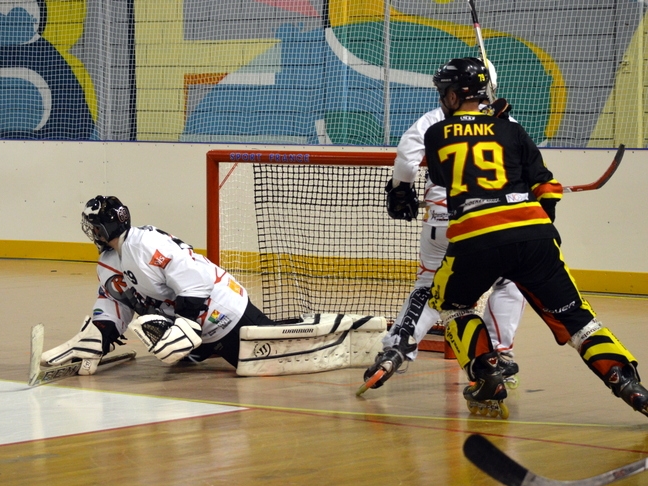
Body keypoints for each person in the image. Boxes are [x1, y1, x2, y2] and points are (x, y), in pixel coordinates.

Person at [412, 56, 647, 419]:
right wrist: (535, 226)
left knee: (453, 305)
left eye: (445, 93)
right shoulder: (513, 130)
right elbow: (548, 189)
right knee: (580, 322)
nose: (442, 100)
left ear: (456, 97)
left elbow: (445, 178)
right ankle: (627, 383)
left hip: (475, 240)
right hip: (534, 235)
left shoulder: (436, 133)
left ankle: (487, 374)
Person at [40, 195, 387, 376]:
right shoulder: (108, 262)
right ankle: (201, 347)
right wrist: (97, 337)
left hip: (223, 311)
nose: (93, 235)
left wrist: (187, 323)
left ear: (105, 228)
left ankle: (341, 330)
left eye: (94, 228)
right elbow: (117, 300)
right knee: (154, 328)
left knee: (270, 360)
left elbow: (196, 277)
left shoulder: (144, 245)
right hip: (196, 330)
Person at [360, 68, 524, 394]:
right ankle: (498, 355)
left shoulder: (433, 120)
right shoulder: (504, 122)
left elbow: (407, 156)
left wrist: (401, 190)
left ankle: (395, 348)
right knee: (509, 279)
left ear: (451, 94)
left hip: (441, 222)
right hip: (491, 222)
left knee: (429, 287)